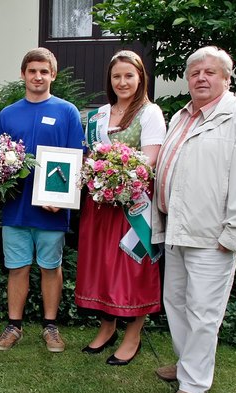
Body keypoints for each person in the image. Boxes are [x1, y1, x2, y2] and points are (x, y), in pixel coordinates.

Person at [152, 46, 236, 393]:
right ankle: (187, 364)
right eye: (195, 73)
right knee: (176, 302)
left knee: (205, 311)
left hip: (212, 237)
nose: (201, 78)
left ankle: (194, 384)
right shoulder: (181, 117)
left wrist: (235, 233)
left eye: (210, 72)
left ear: (226, 78)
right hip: (176, 229)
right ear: (187, 79)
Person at [74, 50, 166, 365]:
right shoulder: (99, 114)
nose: (122, 82)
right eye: (117, 76)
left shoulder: (149, 113)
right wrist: (97, 173)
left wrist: (117, 175)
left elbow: (151, 159)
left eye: (129, 75)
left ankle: (133, 335)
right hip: (101, 205)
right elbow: (89, 155)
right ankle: (107, 326)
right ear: (109, 80)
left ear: (140, 77)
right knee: (102, 266)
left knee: (132, 268)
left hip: (132, 205)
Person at [0, 47, 85, 352]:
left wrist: (64, 197)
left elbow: (77, 160)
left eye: (44, 71)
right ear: (23, 74)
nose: (37, 76)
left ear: (53, 75)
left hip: (52, 208)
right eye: (32, 71)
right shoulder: (7, 114)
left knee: (50, 267)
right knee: (17, 268)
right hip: (16, 208)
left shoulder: (67, 112)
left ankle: (50, 327)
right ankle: (14, 326)